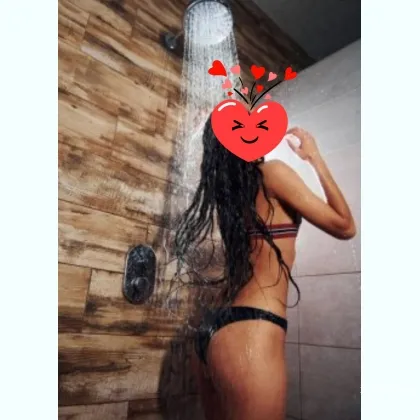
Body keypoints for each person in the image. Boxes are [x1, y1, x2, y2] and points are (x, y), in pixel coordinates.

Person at [174, 118, 356, 420]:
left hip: (212, 332)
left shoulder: (231, 194)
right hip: (252, 328)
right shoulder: (272, 173)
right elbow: (345, 226)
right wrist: (314, 157)